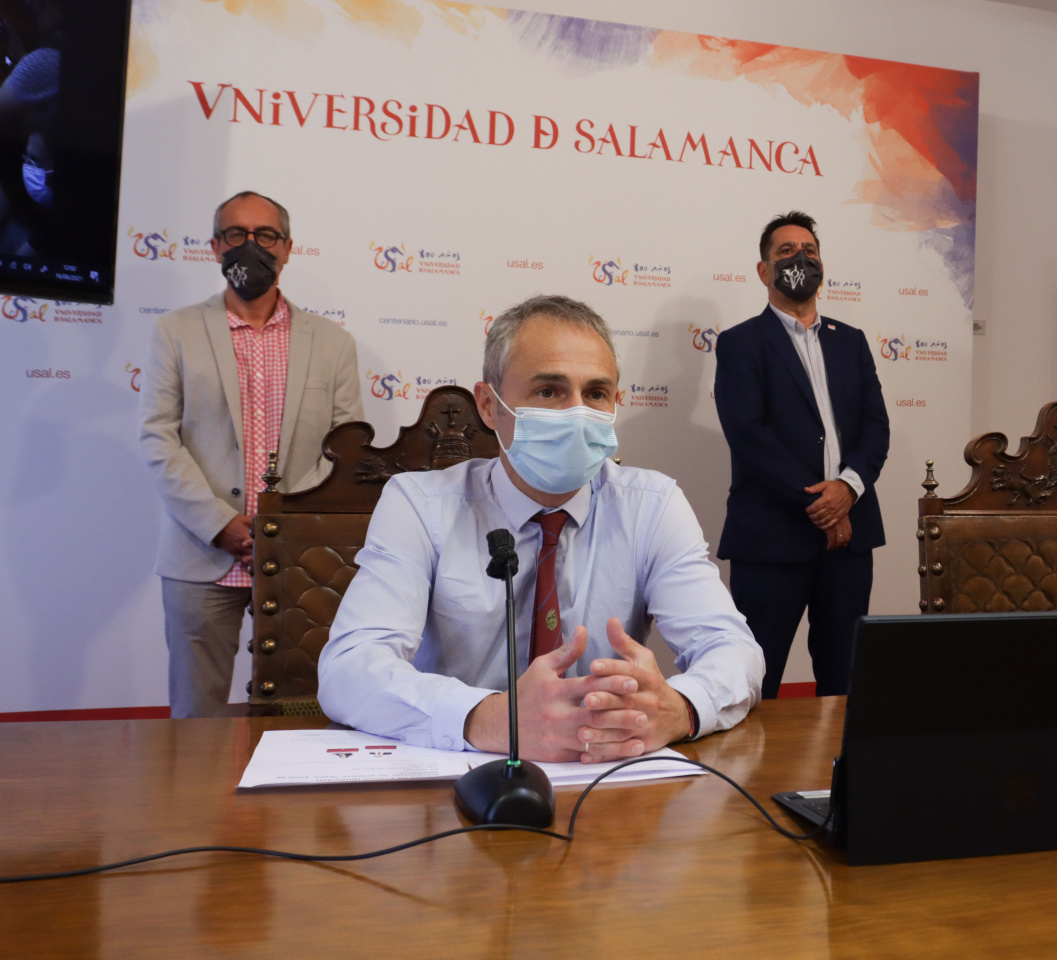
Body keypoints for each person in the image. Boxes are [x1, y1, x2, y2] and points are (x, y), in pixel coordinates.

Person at [319, 295, 762, 760]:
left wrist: (681, 708)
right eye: (549, 392)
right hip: (462, 769)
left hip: (604, 769)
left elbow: (732, 648)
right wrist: (493, 718)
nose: (576, 414)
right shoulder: (419, 505)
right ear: (488, 406)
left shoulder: (652, 505)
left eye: (596, 394)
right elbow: (350, 668)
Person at [139, 191, 361, 717]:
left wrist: (282, 529)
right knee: (195, 716)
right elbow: (158, 436)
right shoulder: (175, 331)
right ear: (216, 246)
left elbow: (345, 448)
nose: (251, 246)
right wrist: (220, 524)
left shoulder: (333, 343)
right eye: (236, 234)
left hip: (300, 562)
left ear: (287, 248)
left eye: (265, 236)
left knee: (299, 711)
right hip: (201, 556)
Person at [713, 211, 890, 698]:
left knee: (845, 681)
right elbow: (748, 435)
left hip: (849, 539)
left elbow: (876, 429)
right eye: (786, 251)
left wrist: (847, 490)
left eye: (809, 251)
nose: (800, 259)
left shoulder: (851, 341)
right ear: (764, 270)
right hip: (772, 538)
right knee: (755, 681)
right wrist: (822, 504)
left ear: (822, 267)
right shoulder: (740, 343)